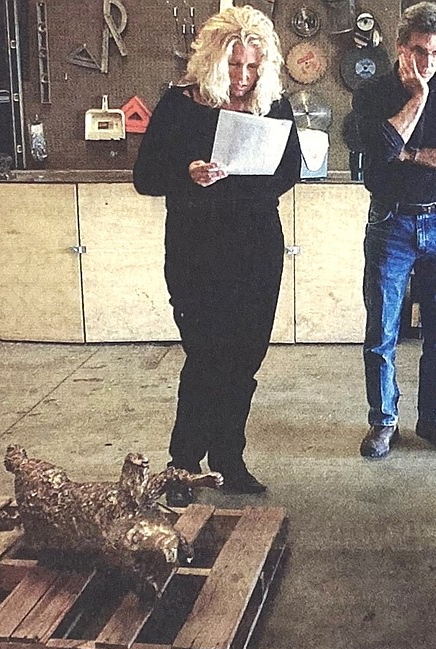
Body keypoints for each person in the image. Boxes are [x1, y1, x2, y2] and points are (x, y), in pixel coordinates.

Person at [132, 6, 301, 505]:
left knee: (244, 358)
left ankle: (228, 458)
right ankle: (183, 464)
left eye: (252, 66)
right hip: (195, 250)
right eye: (234, 66)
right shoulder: (180, 105)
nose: (244, 78)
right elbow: (145, 178)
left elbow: (289, 172)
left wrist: (249, 173)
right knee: (206, 357)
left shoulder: (274, 106)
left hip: (255, 248)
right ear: (211, 59)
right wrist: (188, 171)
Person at [351, 2, 436, 459]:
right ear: (400, 46)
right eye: (419, 51)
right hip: (391, 221)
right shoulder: (371, 94)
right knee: (382, 331)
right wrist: (417, 99)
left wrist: (412, 155)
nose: (428, 63)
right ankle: (384, 422)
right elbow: (381, 145)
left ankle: (433, 419)